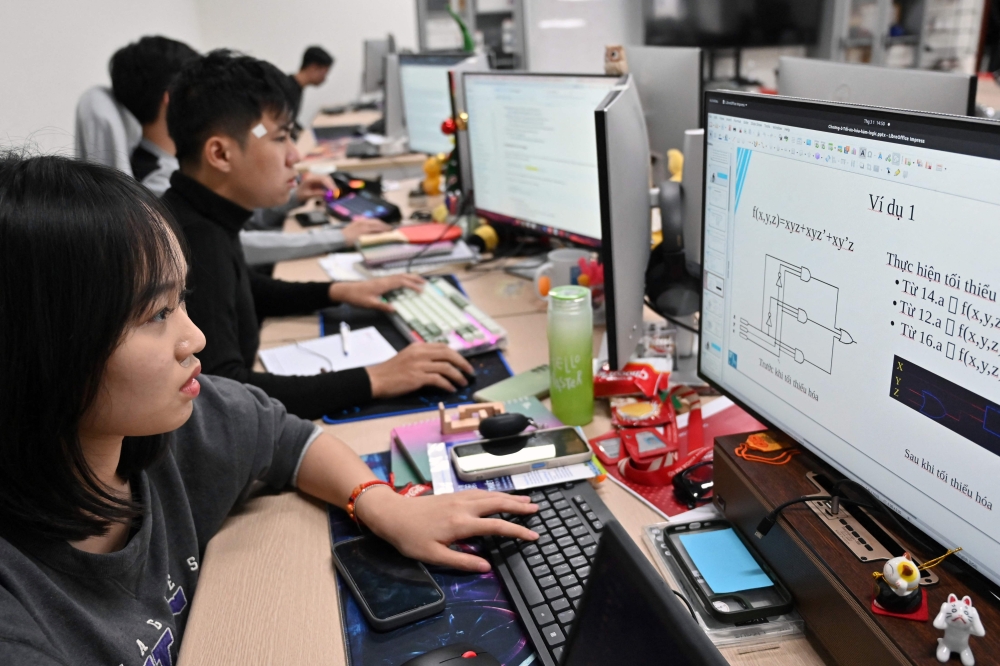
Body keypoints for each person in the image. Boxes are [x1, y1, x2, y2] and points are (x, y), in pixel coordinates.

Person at [0, 153, 538, 665]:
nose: (196, 337)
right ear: (42, 350)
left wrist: (379, 503)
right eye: (156, 314)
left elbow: (285, 437)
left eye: (182, 300)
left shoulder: (173, 433)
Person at [163, 50, 472, 420]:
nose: (295, 156)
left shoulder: (199, 216)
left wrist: (337, 292)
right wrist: (375, 378)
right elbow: (225, 390)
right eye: (280, 139)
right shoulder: (196, 241)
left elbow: (244, 289)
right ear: (221, 154)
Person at [109, 35, 384, 266]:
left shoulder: (173, 164)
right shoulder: (156, 184)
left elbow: (236, 218)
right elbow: (234, 243)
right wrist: (336, 236)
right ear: (175, 99)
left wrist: (292, 196)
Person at [288, 45, 334, 122]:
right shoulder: (287, 90)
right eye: (324, 73)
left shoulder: (295, 87)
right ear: (314, 68)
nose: (325, 79)